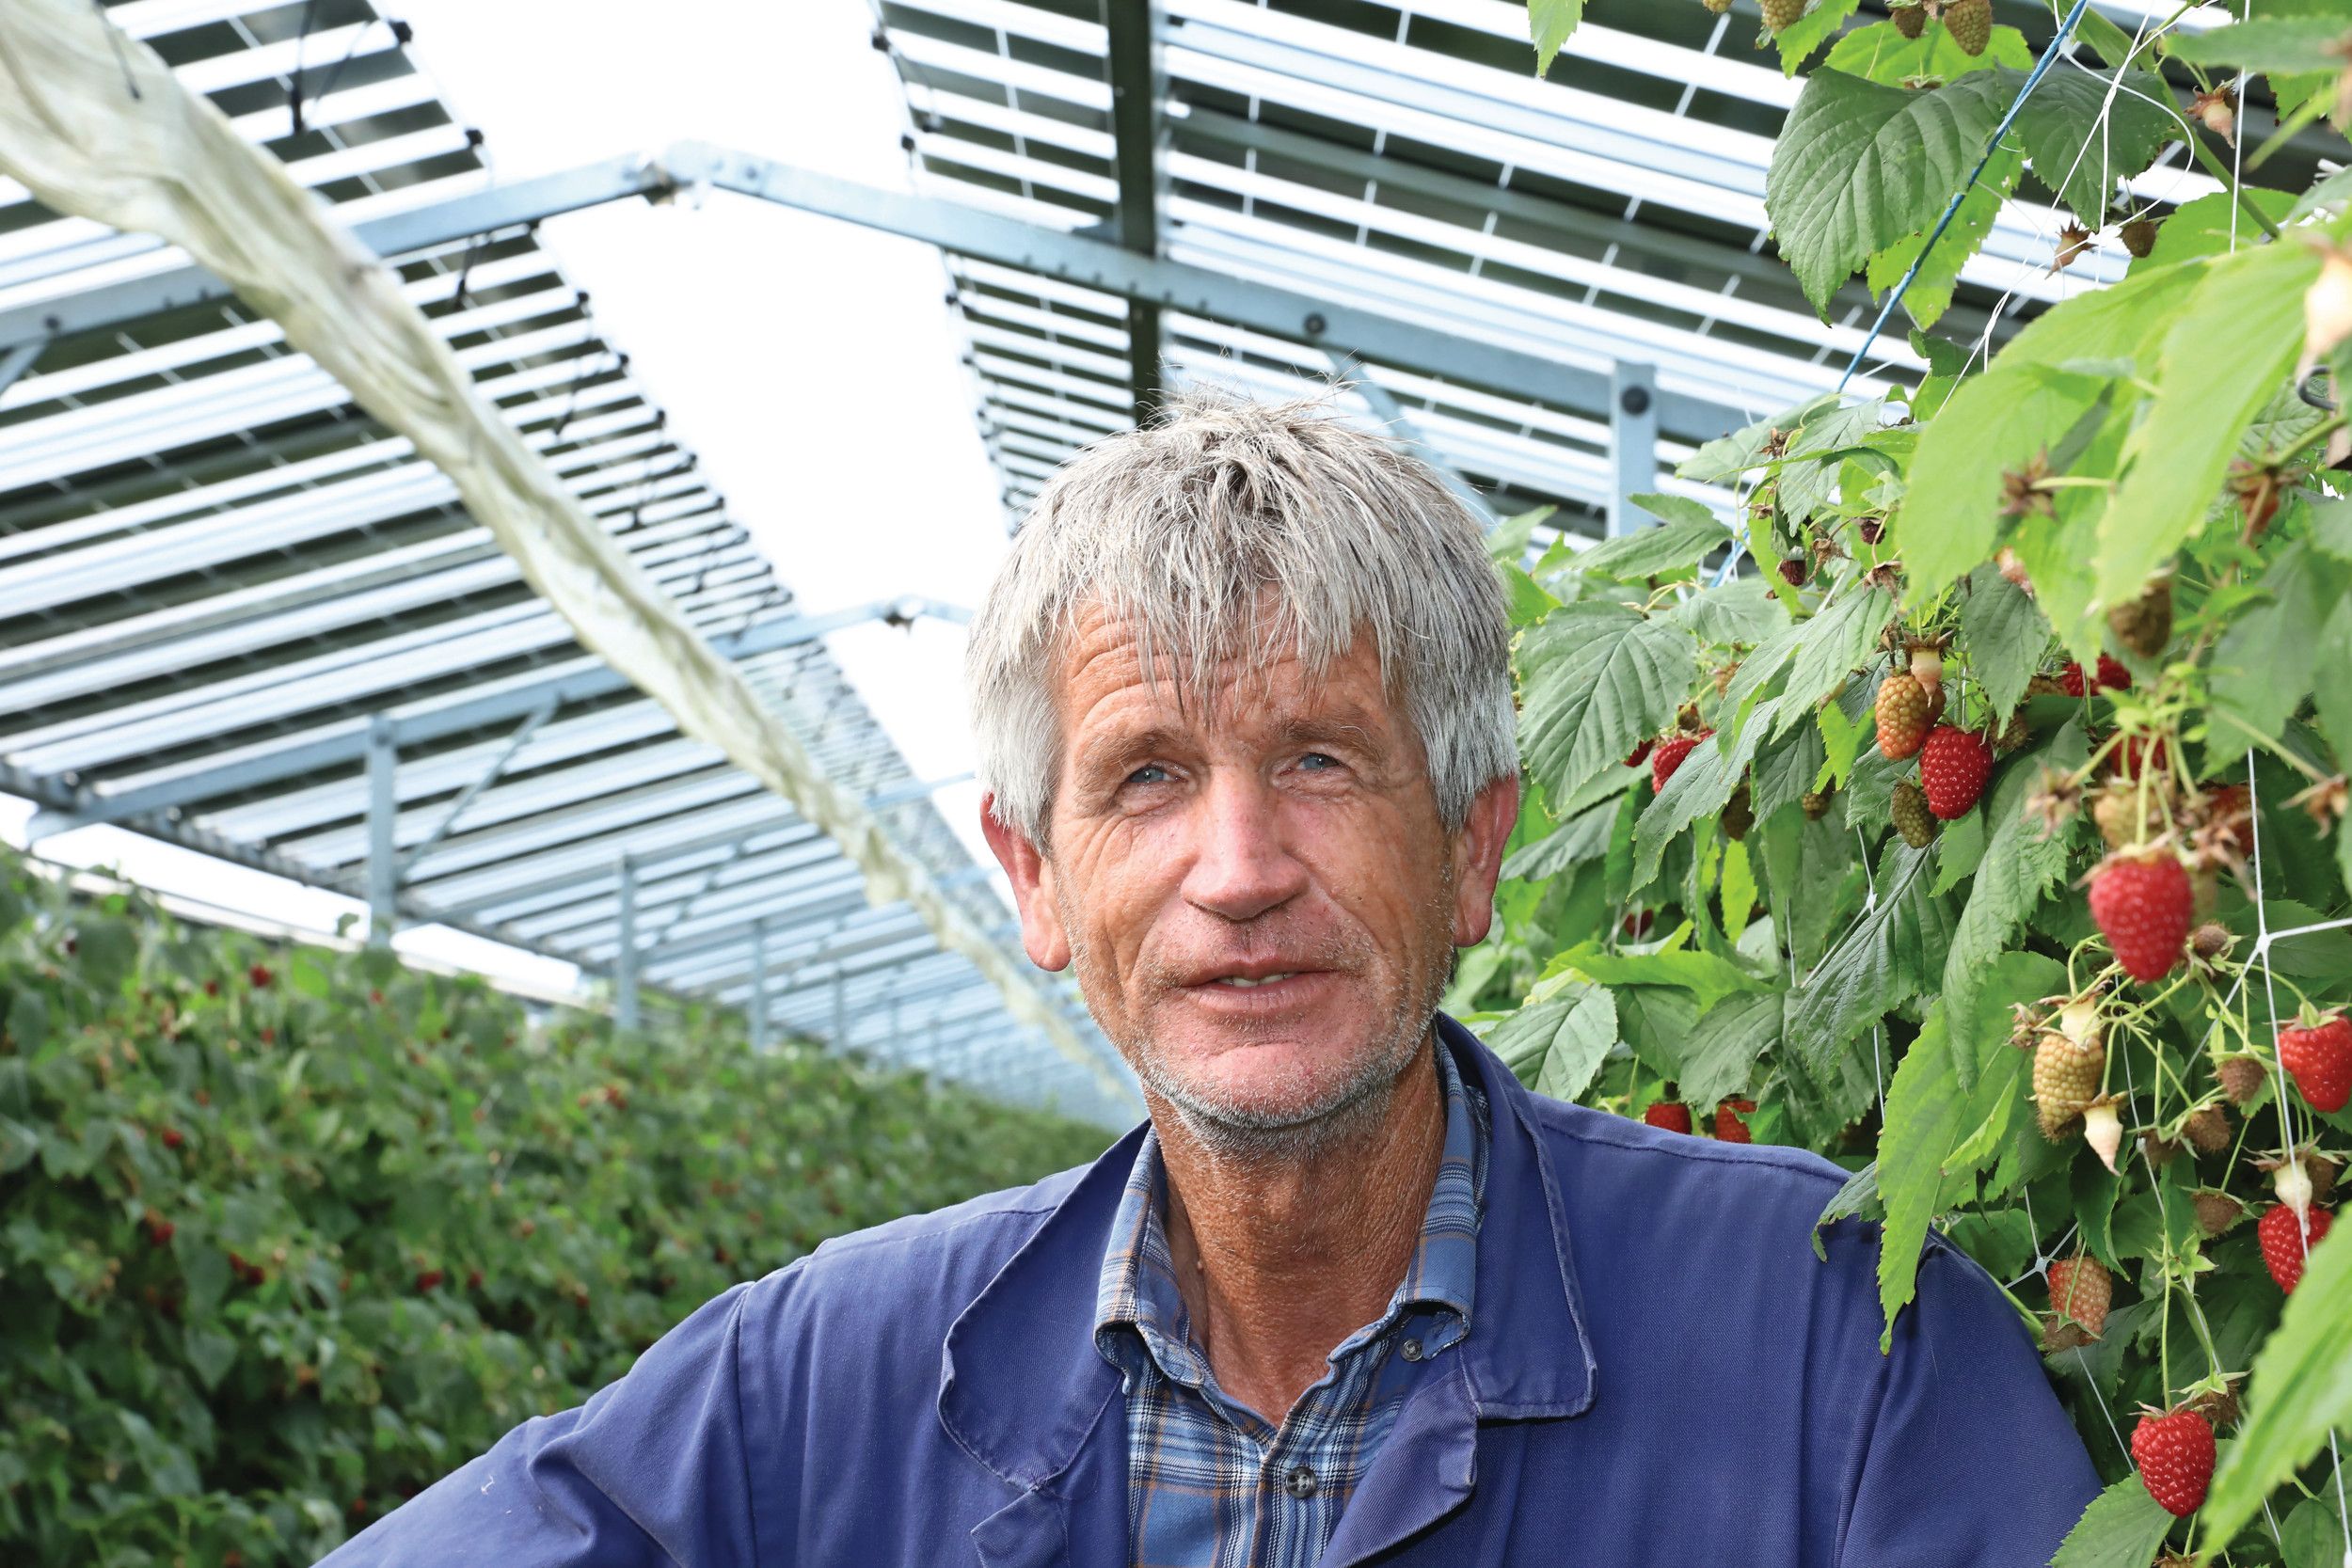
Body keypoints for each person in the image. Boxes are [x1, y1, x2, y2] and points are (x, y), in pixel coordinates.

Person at [321, 391, 2101, 1566]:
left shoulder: (1842, 1358)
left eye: (1322, 760)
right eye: (1148, 776)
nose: (1239, 872)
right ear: (1039, 878)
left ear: (1473, 848)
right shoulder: (823, 1388)